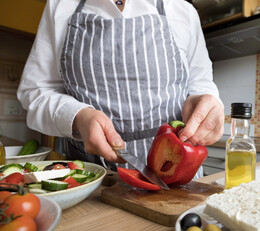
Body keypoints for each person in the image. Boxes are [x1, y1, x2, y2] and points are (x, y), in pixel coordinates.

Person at [17, 0, 224, 178]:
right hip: (92, 178)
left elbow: (201, 85)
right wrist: (78, 116)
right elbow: (35, 92)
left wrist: (207, 103)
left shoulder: (181, 10)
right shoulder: (60, 7)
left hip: (177, 175)